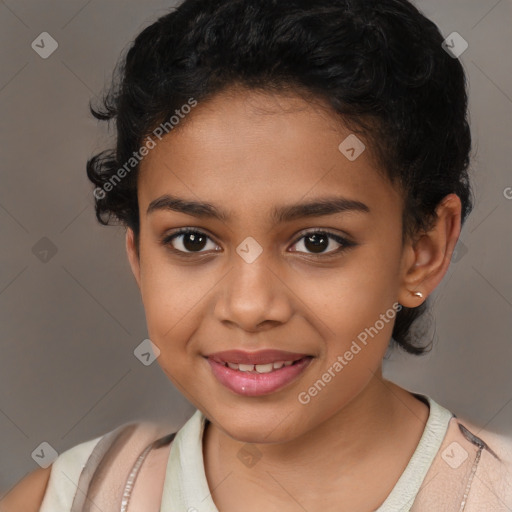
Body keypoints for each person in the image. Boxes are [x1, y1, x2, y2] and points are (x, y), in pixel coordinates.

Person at [3, 0, 512, 510]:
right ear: (138, 256)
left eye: (317, 241)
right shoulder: (69, 499)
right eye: (192, 240)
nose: (249, 307)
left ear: (423, 251)